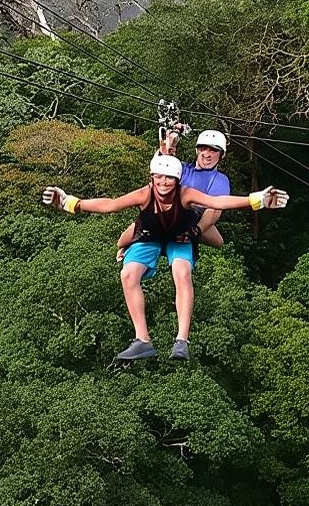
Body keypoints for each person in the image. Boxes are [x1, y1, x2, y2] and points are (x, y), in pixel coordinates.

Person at [43, 154, 288, 362]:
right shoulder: (144, 194)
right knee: (128, 275)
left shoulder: (185, 194)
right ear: (152, 178)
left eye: (169, 178)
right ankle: (142, 340)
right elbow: (111, 205)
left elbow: (216, 202)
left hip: (179, 238)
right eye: (159, 177)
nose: (163, 182)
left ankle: (181, 341)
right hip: (149, 237)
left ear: (177, 180)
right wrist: (70, 203)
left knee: (182, 272)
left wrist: (257, 200)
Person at [115, 129, 231, 259]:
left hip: (194, 217)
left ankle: (176, 240)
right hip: (167, 210)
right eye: (203, 149)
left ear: (221, 155)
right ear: (197, 150)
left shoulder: (220, 179)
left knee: (218, 241)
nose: (207, 154)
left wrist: (196, 231)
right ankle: (142, 241)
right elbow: (161, 165)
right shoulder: (182, 168)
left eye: (213, 150)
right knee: (122, 241)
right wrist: (168, 144)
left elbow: (214, 210)